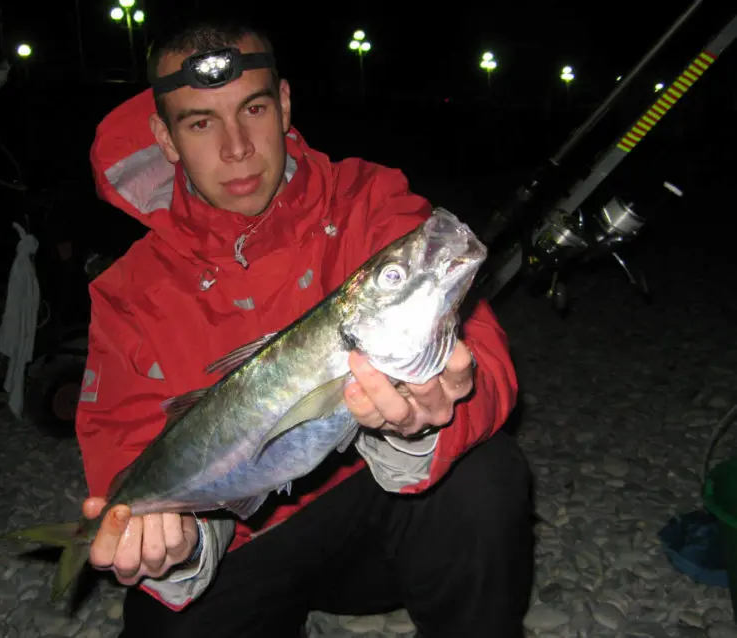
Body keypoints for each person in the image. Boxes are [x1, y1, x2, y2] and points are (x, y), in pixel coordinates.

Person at [75, 18, 534, 638]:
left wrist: (436, 409)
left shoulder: (369, 198)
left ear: (285, 104)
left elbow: (479, 345)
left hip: (382, 518)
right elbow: (122, 443)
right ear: (165, 136)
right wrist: (163, 541)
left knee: (486, 476)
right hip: (239, 545)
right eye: (201, 122)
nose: (236, 147)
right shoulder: (126, 291)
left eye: (254, 109)